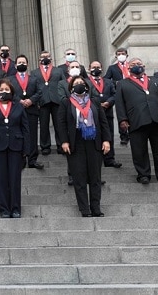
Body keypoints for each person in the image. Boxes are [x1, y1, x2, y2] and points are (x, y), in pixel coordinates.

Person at [115, 58, 158, 184]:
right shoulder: (122, 83)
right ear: (128, 68)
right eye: (133, 64)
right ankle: (143, 174)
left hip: (157, 119)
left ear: (144, 66)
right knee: (139, 150)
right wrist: (122, 119)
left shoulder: (155, 80)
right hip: (136, 120)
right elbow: (119, 103)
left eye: (138, 64)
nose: (136, 66)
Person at [58, 76, 111, 217]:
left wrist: (106, 140)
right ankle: (84, 209)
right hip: (76, 143)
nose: (79, 85)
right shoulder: (66, 103)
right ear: (71, 88)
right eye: (76, 83)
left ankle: (96, 208)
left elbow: (103, 122)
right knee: (79, 177)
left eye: (81, 83)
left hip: (94, 141)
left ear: (87, 86)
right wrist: (64, 141)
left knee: (95, 177)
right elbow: (61, 124)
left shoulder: (94, 102)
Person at [0, 78, 30, 218]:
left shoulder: (19, 107)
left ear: (12, 92)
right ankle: (4, 209)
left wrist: (26, 149)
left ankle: (15, 208)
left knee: (15, 179)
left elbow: (25, 128)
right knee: (0, 179)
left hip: (16, 146)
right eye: (1, 90)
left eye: (7, 90)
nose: (4, 92)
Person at [9, 55, 43, 169]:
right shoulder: (10, 80)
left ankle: (32, 160)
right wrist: (19, 101)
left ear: (27, 64)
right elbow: (10, 93)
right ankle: (21, 159)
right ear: (15, 65)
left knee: (32, 135)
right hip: (17, 111)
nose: (21, 64)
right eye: (19, 62)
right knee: (19, 135)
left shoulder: (34, 79)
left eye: (23, 62)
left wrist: (31, 100)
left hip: (31, 110)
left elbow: (39, 92)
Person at [87, 60, 121, 168]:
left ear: (101, 69)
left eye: (98, 67)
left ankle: (110, 159)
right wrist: (97, 104)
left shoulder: (108, 82)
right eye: (93, 67)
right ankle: (96, 160)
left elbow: (114, 94)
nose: (96, 69)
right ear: (89, 69)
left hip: (107, 112)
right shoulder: (85, 81)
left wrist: (109, 102)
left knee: (109, 134)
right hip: (92, 113)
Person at [31, 50, 64, 156]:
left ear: (51, 58)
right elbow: (33, 87)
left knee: (59, 124)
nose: (45, 58)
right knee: (44, 125)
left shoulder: (58, 71)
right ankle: (45, 146)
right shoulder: (34, 72)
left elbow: (63, 84)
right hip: (42, 101)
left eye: (47, 56)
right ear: (39, 59)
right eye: (43, 56)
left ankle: (61, 145)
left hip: (56, 100)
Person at [104, 47, 130, 146]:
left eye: (123, 53)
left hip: (131, 91)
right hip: (119, 92)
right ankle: (123, 135)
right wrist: (116, 83)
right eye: (119, 54)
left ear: (127, 55)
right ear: (116, 56)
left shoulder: (131, 66)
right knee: (121, 113)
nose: (121, 55)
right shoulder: (112, 68)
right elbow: (106, 79)